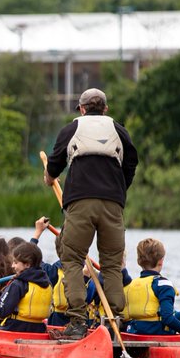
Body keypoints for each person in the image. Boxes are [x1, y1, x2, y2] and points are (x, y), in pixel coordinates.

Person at [45, 87, 138, 339]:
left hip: (79, 202)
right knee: (111, 263)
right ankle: (114, 321)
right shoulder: (119, 130)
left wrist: (49, 176)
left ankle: (77, 322)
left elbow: (55, 161)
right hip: (113, 204)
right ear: (105, 109)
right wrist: (120, 188)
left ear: (82, 109)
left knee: (71, 258)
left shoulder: (71, 128)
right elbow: (131, 163)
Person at [0, 241, 53, 334]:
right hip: (38, 330)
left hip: (15, 329)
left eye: (16, 262)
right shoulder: (47, 283)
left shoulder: (18, 284)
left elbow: (1, 311)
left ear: (27, 264)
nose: (12, 266)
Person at [124, 238, 180, 336]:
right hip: (156, 335)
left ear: (139, 262)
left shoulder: (131, 284)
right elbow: (167, 318)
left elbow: (156, 316)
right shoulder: (163, 285)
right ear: (161, 261)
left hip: (134, 332)